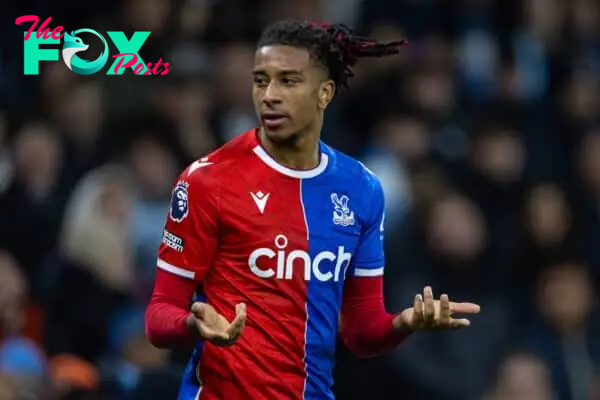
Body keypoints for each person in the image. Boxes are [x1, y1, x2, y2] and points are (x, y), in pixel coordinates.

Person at [145, 20, 481, 400]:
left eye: (288, 81)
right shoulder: (206, 181)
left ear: (324, 93)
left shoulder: (361, 189)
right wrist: (192, 322)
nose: (269, 95)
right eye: (260, 80)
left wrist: (403, 323)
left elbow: (361, 332)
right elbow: (159, 315)